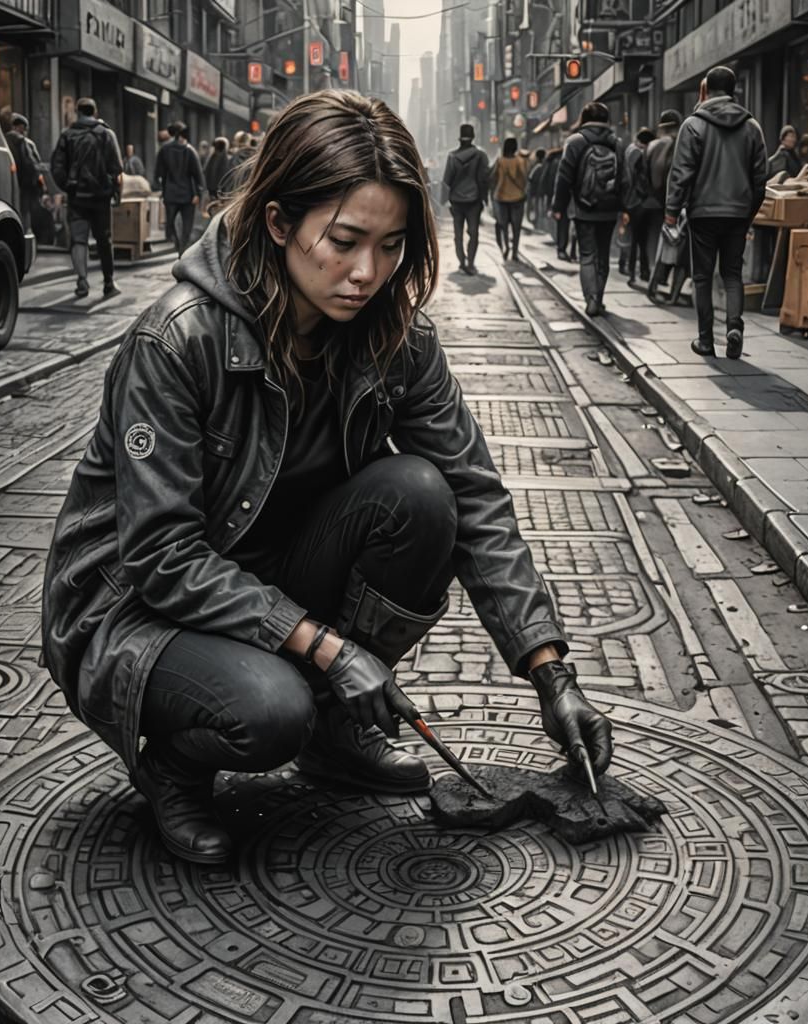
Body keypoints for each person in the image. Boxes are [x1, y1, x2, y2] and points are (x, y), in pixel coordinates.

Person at [40, 89, 614, 865]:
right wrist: (331, 651)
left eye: (391, 246)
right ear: (280, 223)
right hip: (135, 607)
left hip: (270, 574)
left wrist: (552, 673)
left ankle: (337, 739)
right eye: (343, 241)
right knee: (272, 711)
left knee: (422, 495)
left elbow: (475, 494)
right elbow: (159, 556)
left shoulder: (397, 340)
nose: (367, 272)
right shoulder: (178, 341)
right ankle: (173, 767)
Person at [665, 66, 767, 359]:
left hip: (703, 213)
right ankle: (734, 326)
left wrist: (672, 211)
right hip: (738, 212)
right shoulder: (752, 126)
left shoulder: (693, 125)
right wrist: (749, 213)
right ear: (734, 90)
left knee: (702, 277)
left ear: (705, 89)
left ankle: (706, 340)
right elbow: (761, 177)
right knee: (733, 274)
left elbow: (681, 173)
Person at [552, 102, 628, 317]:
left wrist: (559, 207)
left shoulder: (575, 141)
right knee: (603, 255)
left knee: (587, 255)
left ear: (583, 118)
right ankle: (600, 298)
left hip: (584, 208)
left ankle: (591, 299)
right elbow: (624, 179)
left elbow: (564, 177)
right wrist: (623, 207)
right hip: (609, 208)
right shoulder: (617, 143)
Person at [50, 97, 123, 299]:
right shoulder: (107, 134)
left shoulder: (67, 135)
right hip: (101, 198)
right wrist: (113, 189)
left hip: (77, 198)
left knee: (78, 240)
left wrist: (68, 186)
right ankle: (108, 283)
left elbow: (56, 167)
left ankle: (82, 281)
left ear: (77, 112)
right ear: (95, 111)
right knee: (104, 240)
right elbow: (117, 167)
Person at [441, 123, 490, 275]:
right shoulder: (480, 155)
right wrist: (484, 199)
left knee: (458, 234)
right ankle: (471, 263)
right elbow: (484, 179)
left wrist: (444, 200)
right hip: (474, 201)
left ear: (460, 139)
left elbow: (446, 181)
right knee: (473, 233)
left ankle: (462, 261)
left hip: (456, 201)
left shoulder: (452, 157)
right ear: (473, 138)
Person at [154, 121, 206, 255]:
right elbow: (198, 175)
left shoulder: (164, 150)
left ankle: (178, 246)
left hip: (170, 194)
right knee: (187, 227)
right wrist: (198, 193)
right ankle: (183, 251)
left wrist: (161, 188)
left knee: (171, 224)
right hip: (188, 194)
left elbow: (158, 173)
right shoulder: (189, 150)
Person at [644, 109, 681, 295]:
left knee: (654, 240)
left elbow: (644, 174)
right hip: (670, 201)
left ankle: (652, 275)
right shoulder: (678, 144)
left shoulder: (651, 146)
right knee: (670, 242)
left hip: (651, 201)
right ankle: (661, 277)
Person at [622, 127, 655, 285]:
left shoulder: (629, 149)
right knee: (640, 238)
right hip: (638, 201)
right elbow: (639, 178)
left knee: (633, 237)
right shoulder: (639, 154)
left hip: (628, 201)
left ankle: (632, 269)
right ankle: (641, 271)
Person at [490, 137, 528, 261]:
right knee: (516, 227)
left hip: (501, 197)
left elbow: (493, 178)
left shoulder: (499, 161)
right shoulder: (520, 161)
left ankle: (506, 247)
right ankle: (515, 252)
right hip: (517, 197)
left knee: (504, 225)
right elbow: (523, 178)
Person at [6, 113, 45, 234]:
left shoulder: (3, 141)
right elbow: (32, 165)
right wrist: (37, 184)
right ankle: (24, 237)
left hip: (7, 182)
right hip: (25, 185)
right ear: (21, 127)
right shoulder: (25, 142)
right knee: (25, 213)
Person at [204, 136, 231, 201]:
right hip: (221, 190)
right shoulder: (225, 158)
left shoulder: (212, 157)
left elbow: (205, 172)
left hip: (212, 189)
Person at [527, 148, 547, 228]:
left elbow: (530, 178)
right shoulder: (544, 166)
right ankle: (539, 225)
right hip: (541, 192)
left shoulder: (537, 167)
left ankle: (537, 225)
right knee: (539, 209)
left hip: (535, 192)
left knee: (537, 209)